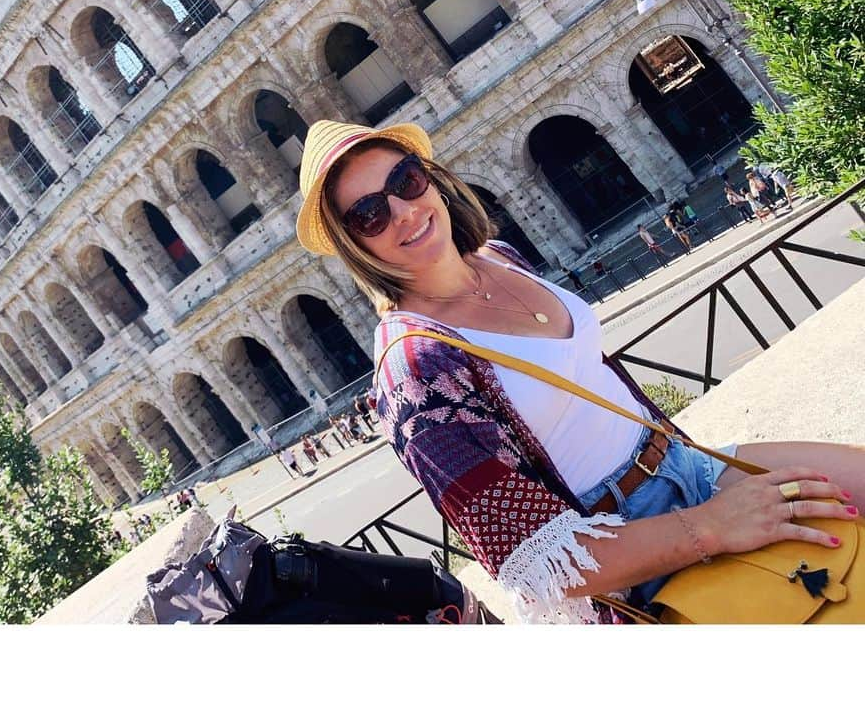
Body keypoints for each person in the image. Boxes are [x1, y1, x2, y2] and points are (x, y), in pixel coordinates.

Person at [294, 119, 864, 624]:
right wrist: (714, 525)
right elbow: (536, 562)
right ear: (354, 244)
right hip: (626, 554)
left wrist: (708, 493)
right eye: (369, 214)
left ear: (430, 177)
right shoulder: (415, 371)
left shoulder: (496, 257)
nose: (402, 211)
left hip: (688, 467)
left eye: (405, 181)